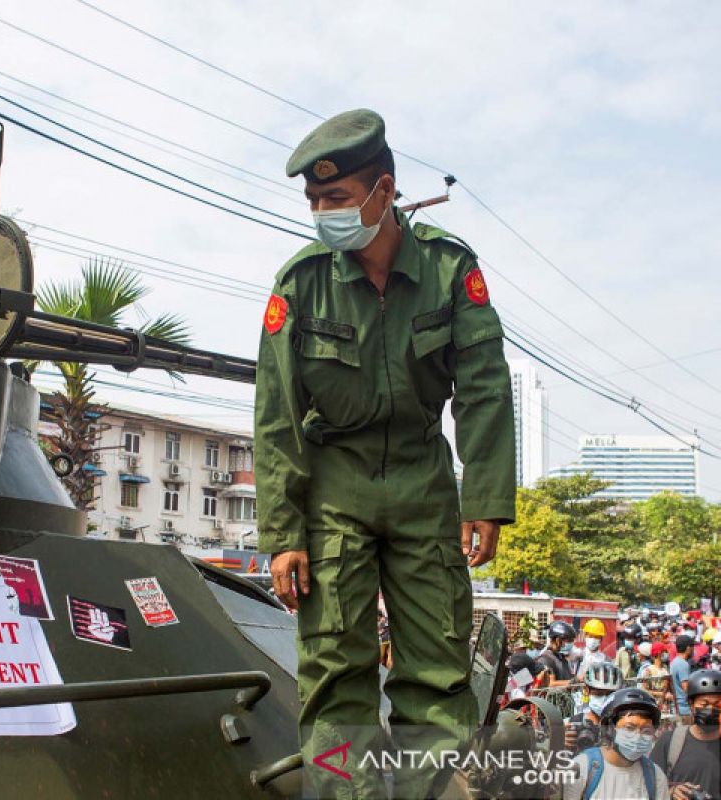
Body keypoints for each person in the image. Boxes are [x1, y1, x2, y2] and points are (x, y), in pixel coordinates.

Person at [255, 108, 516, 799]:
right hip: (333, 494)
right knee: (336, 672)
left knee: (436, 673)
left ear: (383, 191)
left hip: (425, 486)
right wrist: (283, 535)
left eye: (335, 199)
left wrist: (486, 500)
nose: (322, 214)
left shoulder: (448, 270)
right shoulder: (300, 283)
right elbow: (277, 415)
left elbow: (484, 388)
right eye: (314, 201)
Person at [563, 688, 671, 800]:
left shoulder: (655, 776)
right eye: (629, 728)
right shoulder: (582, 768)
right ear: (609, 729)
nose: (638, 736)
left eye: (646, 731)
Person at [652, 669, 721, 800]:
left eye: (717, 704)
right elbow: (650, 783)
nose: (711, 710)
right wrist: (672, 791)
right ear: (691, 705)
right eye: (704, 704)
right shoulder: (670, 741)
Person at [564, 662, 625, 755]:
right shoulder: (571, 724)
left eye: (610, 694)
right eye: (599, 694)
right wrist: (560, 743)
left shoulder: (626, 726)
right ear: (586, 690)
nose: (605, 699)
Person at [534, 620, 577, 686]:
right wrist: (574, 682)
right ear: (558, 640)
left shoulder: (561, 658)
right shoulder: (546, 659)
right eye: (569, 641)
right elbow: (550, 684)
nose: (571, 644)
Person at [670, 635, 695, 724]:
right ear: (688, 648)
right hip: (685, 709)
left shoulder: (674, 662)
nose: (693, 650)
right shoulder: (683, 664)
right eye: (693, 647)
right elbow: (686, 687)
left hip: (678, 707)